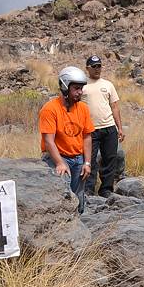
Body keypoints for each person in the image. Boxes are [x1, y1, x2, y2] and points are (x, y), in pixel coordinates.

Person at [39, 66, 94, 213]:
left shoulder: (83, 108)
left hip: (78, 159)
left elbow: (87, 136)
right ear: (65, 87)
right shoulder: (50, 109)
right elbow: (49, 140)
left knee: (78, 200)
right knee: (61, 199)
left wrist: (87, 162)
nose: (80, 92)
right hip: (58, 158)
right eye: (76, 88)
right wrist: (59, 163)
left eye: (81, 88)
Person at [81, 55, 124, 198]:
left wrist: (120, 128)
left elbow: (115, 107)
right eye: (94, 66)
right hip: (90, 130)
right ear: (87, 68)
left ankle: (106, 189)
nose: (97, 69)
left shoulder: (108, 85)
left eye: (99, 66)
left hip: (109, 127)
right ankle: (88, 189)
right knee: (90, 160)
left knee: (110, 159)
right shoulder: (82, 85)